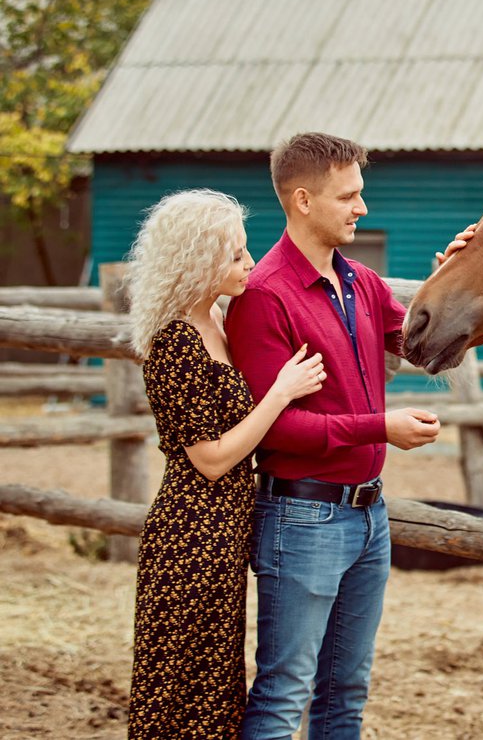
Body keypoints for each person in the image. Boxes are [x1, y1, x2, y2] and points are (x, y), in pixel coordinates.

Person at [226, 131, 460, 739]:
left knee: (345, 691)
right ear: (303, 200)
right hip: (302, 518)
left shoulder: (362, 280)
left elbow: (428, 349)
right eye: (348, 195)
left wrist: (457, 287)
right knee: (284, 692)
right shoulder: (262, 298)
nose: (362, 208)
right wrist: (379, 427)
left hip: (368, 515)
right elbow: (276, 428)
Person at [125, 189, 327, 738]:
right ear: (196, 260)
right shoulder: (174, 343)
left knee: (216, 684)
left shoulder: (218, 317)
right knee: (180, 688)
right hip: (191, 534)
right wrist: (281, 393)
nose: (250, 263)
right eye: (235, 254)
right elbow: (211, 460)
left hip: (226, 530)